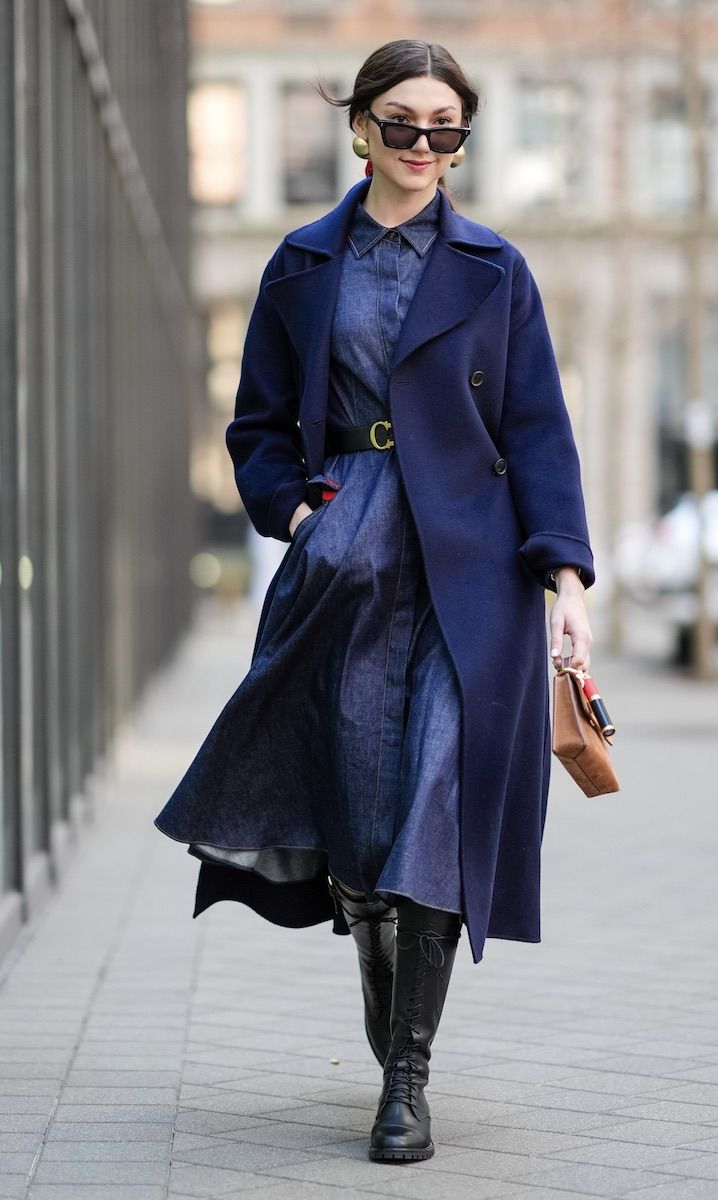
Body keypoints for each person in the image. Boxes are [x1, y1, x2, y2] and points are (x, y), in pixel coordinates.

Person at [154, 39, 594, 1165]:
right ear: (359, 127)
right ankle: (374, 961)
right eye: (402, 122)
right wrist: (300, 518)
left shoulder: (495, 268)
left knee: (439, 796)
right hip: (346, 563)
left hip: (474, 573)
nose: (423, 145)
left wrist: (566, 582)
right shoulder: (303, 264)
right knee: (361, 826)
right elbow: (256, 428)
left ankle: (407, 1079)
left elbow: (538, 430)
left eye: (446, 127)